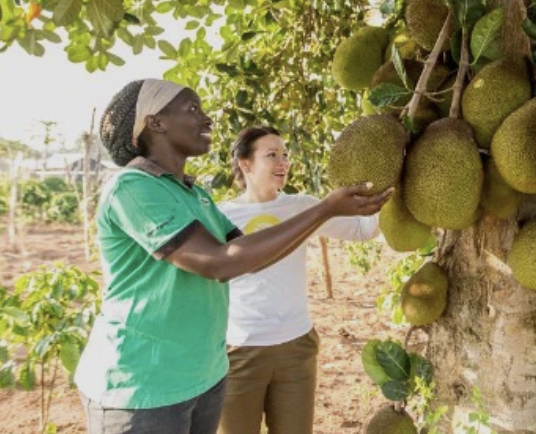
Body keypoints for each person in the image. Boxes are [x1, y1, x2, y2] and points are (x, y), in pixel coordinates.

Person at [74, 79, 391, 434]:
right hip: (141, 383)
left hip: (202, 376)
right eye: (192, 109)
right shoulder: (133, 188)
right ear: (155, 123)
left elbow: (251, 258)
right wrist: (323, 210)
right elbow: (219, 262)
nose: (207, 118)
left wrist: (322, 212)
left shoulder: (195, 196)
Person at [216, 126, 381, 434]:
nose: (283, 162)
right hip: (239, 350)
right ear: (245, 164)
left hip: (296, 348)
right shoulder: (220, 216)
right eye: (272, 155)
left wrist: (392, 181)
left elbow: (362, 230)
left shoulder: (303, 206)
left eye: (285, 154)